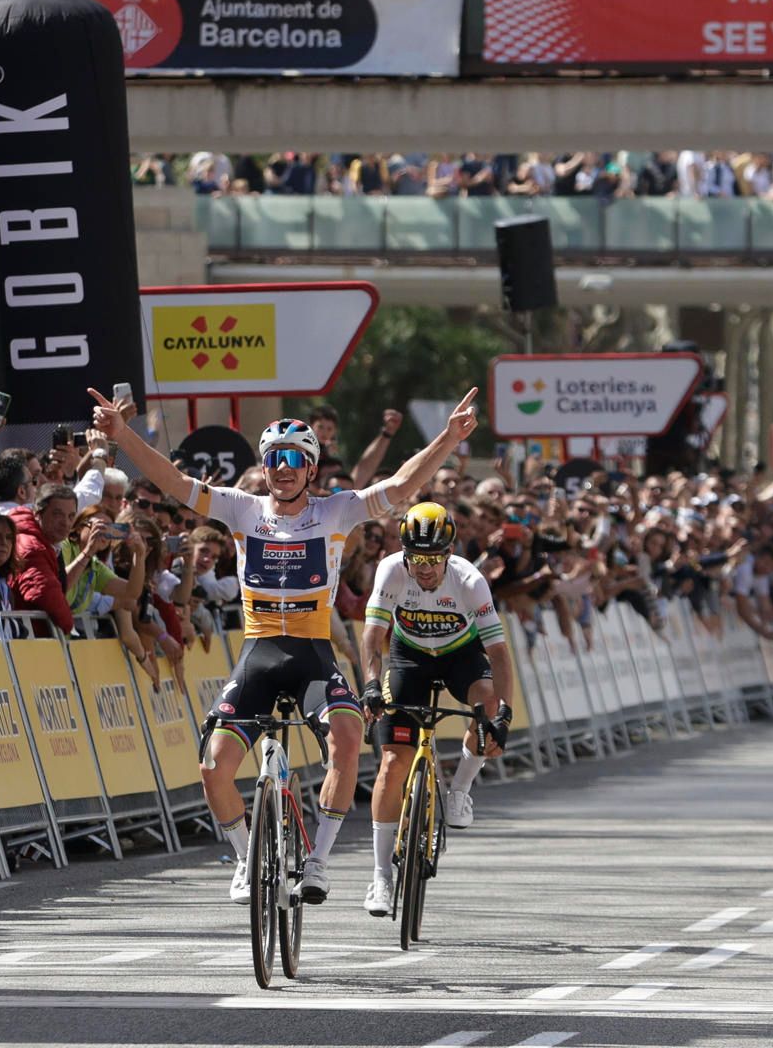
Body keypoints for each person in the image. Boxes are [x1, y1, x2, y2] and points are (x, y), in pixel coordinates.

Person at [87, 387, 481, 907]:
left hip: (312, 654)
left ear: (312, 469)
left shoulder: (338, 511)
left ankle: (318, 861)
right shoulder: (243, 509)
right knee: (213, 766)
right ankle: (246, 857)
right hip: (261, 653)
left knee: (345, 738)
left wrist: (448, 439)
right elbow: (175, 483)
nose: (284, 468)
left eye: (296, 459)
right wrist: (123, 436)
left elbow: (402, 484)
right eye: (275, 459)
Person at [358, 502, 514, 917]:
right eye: (416, 559)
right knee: (393, 762)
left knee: (485, 703)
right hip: (409, 656)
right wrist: (372, 685)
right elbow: (372, 638)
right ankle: (380, 877)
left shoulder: (470, 580)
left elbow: (498, 654)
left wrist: (504, 715)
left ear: (448, 554)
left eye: (432, 559)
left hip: (461, 655)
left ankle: (460, 789)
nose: (424, 569)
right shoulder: (391, 570)